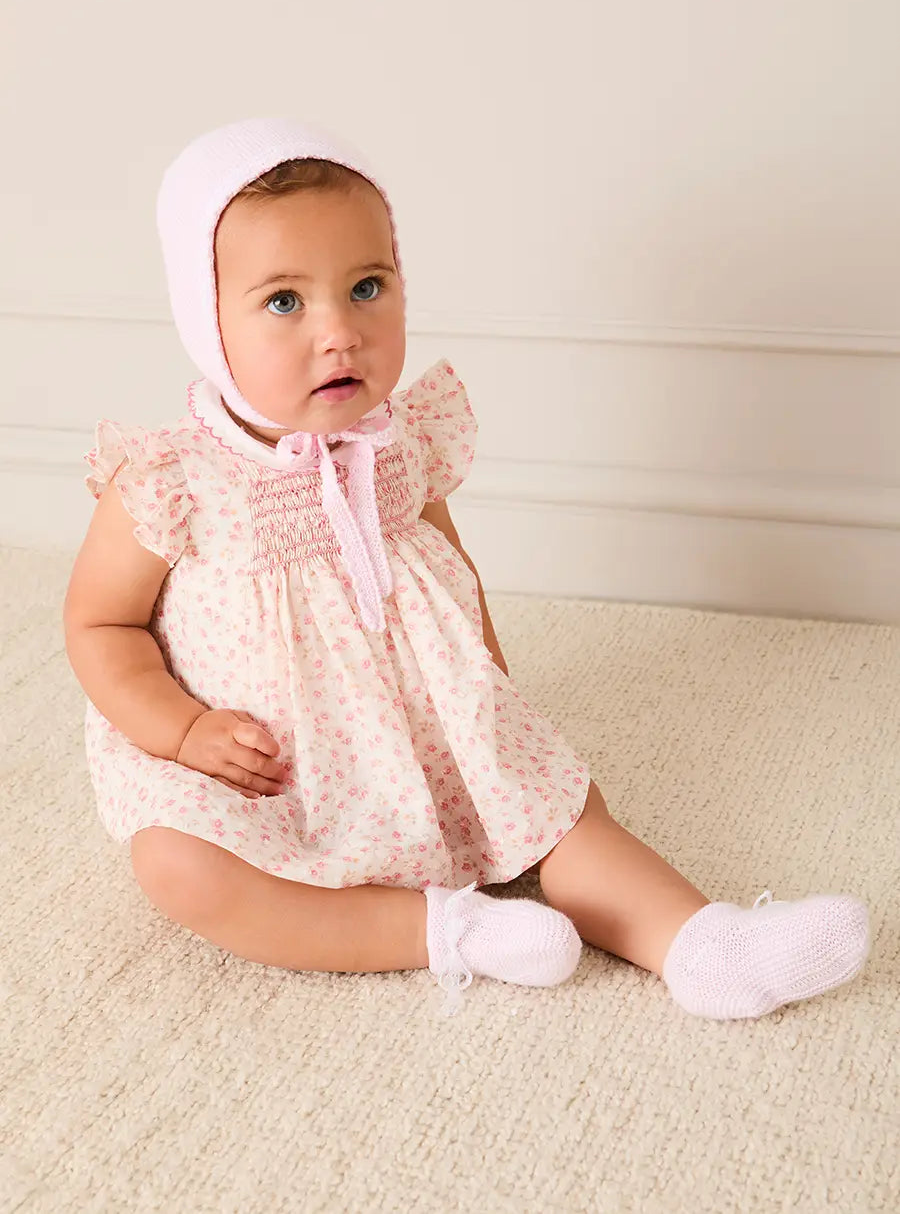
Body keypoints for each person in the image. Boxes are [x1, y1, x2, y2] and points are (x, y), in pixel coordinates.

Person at [64, 117, 870, 1018]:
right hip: (263, 764)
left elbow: (451, 569)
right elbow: (101, 623)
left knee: (564, 812)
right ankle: (445, 932)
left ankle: (700, 944)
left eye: (367, 287)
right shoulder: (171, 479)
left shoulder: (400, 438)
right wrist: (182, 732)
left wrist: (490, 697)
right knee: (179, 868)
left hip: (423, 727)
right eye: (284, 302)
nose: (340, 333)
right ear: (205, 317)